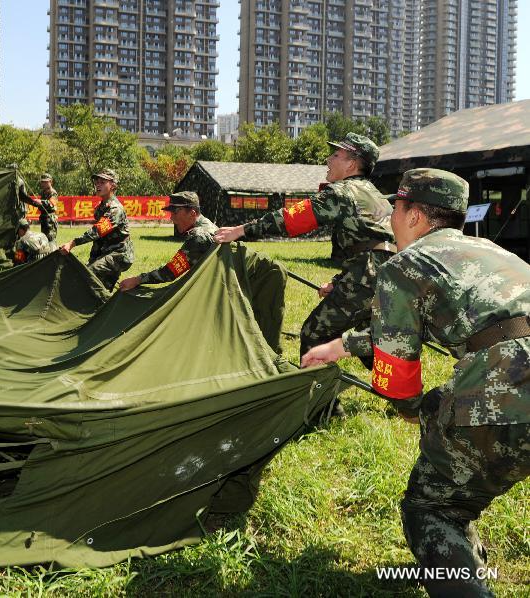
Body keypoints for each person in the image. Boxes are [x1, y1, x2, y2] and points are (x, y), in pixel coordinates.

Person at [302, 168, 529, 597]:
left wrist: (413, 410)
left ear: (414, 217)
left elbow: (400, 376)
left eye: (395, 209)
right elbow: (494, 322)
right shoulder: (492, 253)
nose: (390, 220)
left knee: (432, 508)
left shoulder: (404, 265)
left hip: (509, 389)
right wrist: (345, 345)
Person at [214, 133, 395, 359]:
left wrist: (240, 230)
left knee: (315, 333)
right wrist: (340, 283)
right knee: (371, 339)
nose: (328, 160)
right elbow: (377, 245)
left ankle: (315, 391)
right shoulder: (374, 194)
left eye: (335, 155)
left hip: (369, 275)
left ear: (351, 163)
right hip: (390, 274)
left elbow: (291, 219)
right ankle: (397, 389)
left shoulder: (341, 193)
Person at [118, 191, 215, 291]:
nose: (171, 217)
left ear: (192, 213)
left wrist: (137, 280)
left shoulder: (199, 236)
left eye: (175, 212)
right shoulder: (208, 225)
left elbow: (170, 272)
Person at [59, 168, 134, 291]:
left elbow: (97, 232)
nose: (98, 185)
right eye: (97, 182)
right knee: (101, 286)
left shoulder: (115, 209)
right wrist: (93, 258)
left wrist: (73, 243)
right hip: (106, 252)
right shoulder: (101, 207)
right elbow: (99, 240)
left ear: (113, 185)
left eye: (103, 182)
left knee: (90, 273)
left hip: (119, 255)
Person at [19, 173, 59, 242]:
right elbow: (41, 205)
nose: (43, 184)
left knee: (50, 239)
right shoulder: (43, 192)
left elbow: (51, 204)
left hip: (50, 219)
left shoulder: (53, 192)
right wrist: (31, 202)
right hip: (44, 218)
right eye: (42, 182)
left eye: (45, 182)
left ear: (51, 182)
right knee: (44, 238)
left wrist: (41, 202)